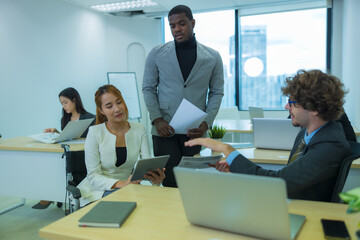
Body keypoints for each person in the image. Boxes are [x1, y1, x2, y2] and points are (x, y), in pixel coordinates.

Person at [185, 70, 351, 202]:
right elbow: (289, 175)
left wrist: (226, 149)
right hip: (289, 202)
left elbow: (280, 183)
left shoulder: (330, 145)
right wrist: (235, 168)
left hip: (304, 212)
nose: (287, 107)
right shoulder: (307, 133)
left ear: (314, 109)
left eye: (293, 103)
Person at [142, 5, 224, 187]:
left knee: (190, 179)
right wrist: (157, 119)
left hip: (194, 130)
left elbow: (217, 92)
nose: (177, 29)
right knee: (168, 179)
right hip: (164, 129)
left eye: (182, 24)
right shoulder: (156, 54)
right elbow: (148, 88)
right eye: (172, 26)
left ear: (192, 23)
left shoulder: (212, 57)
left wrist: (206, 123)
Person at [77, 85, 165, 203]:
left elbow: (146, 165)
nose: (117, 109)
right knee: (131, 201)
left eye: (119, 102)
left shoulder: (139, 129)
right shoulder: (94, 132)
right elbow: (93, 176)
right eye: (109, 106)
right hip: (98, 190)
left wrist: (155, 179)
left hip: (128, 188)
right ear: (102, 111)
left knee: (153, 200)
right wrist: (122, 184)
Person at [32, 87, 95, 209]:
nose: (63, 106)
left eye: (65, 102)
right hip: (70, 155)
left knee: (67, 167)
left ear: (74, 100)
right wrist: (56, 132)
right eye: (62, 103)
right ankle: (54, 195)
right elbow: (68, 137)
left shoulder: (90, 118)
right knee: (53, 164)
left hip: (84, 156)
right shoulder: (65, 119)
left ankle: (65, 198)